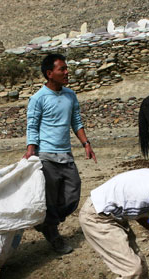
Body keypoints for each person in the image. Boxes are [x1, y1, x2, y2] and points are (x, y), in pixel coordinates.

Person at [24, 53, 97, 254]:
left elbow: (76, 122)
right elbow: (32, 126)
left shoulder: (70, 95)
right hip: (46, 156)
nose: (67, 72)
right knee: (50, 199)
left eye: (66, 68)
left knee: (73, 193)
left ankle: (47, 223)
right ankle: (54, 236)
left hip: (65, 154)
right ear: (49, 73)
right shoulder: (38, 98)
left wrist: (86, 144)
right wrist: (31, 150)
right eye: (62, 69)